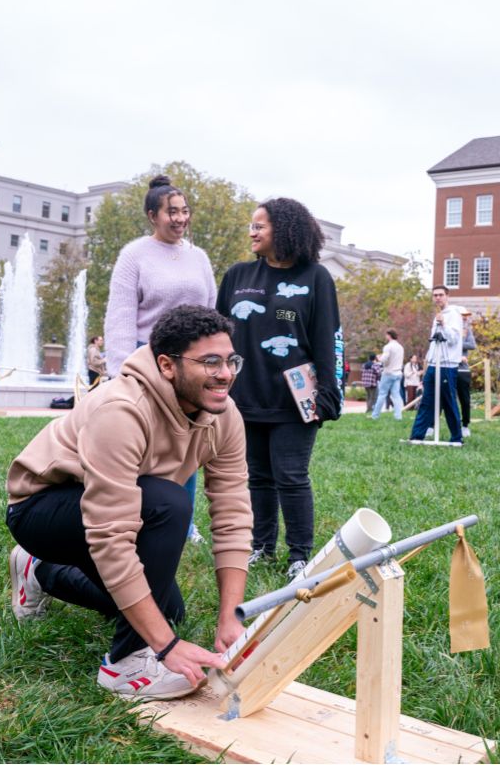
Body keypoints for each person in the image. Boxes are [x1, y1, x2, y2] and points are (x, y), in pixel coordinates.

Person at [6, 305, 251, 701]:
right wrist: (163, 647)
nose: (226, 373)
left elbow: (233, 513)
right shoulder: (122, 410)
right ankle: (124, 665)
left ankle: (40, 573)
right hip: (41, 507)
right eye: (210, 362)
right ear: (167, 365)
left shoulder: (223, 415)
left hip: (121, 507)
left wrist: (230, 616)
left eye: (229, 360)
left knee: (168, 612)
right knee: (167, 503)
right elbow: (110, 537)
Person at [216, 197, 343, 582]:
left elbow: (327, 339)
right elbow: (219, 335)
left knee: (291, 475)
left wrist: (327, 394)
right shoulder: (238, 276)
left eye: (260, 226)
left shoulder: (316, 277)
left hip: (295, 400)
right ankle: (261, 546)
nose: (252, 232)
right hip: (244, 396)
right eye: (251, 225)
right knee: (257, 476)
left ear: (285, 230)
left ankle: (300, 554)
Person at [104, 175, 216, 543]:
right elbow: (120, 314)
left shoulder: (199, 257)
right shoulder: (134, 255)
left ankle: (183, 522)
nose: (181, 218)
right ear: (153, 215)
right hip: (149, 359)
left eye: (185, 211)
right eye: (172, 212)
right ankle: (133, 514)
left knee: (188, 440)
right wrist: (120, 371)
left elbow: (210, 309)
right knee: (143, 441)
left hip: (193, 363)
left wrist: (214, 358)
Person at [409, 286, 463, 444]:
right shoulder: (437, 316)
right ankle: (417, 436)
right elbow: (434, 342)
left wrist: (444, 324)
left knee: (449, 401)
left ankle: (456, 438)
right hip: (433, 364)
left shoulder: (453, 314)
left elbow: (454, 339)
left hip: (447, 365)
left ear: (447, 296)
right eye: (435, 295)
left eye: (440, 295)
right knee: (426, 401)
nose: (437, 298)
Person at [371, 329, 404, 420]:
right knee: (396, 395)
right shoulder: (400, 347)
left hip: (388, 373)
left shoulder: (388, 347)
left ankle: (375, 415)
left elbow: (384, 359)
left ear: (389, 335)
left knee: (382, 394)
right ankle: (398, 416)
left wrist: (379, 358)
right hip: (398, 373)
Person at [456, 308, 476, 438]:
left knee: (465, 399)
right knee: (441, 398)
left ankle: (465, 426)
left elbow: (472, 345)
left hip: (463, 370)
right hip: (448, 367)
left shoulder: (467, 331)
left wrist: (461, 341)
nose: (465, 318)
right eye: (463, 316)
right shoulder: (449, 329)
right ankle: (432, 426)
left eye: (466, 316)